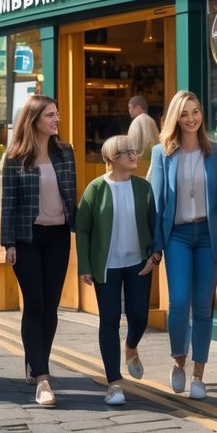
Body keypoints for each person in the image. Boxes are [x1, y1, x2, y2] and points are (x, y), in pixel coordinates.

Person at [147, 90, 217, 400]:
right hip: (178, 237)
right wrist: (156, 245)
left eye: (195, 112)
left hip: (210, 236)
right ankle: (178, 360)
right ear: (175, 118)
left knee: (204, 307)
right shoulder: (162, 154)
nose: (191, 119)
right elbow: (156, 203)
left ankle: (199, 374)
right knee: (179, 302)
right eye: (184, 113)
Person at [0, 93, 77, 407]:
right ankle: (42, 379)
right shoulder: (16, 157)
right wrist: (9, 243)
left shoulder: (66, 152)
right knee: (34, 303)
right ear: (34, 121)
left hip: (58, 236)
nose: (57, 119)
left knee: (50, 307)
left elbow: (73, 196)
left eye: (57, 114)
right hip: (27, 238)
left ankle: (36, 360)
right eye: (50, 116)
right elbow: (9, 206)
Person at [75, 135, 159, 406]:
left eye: (134, 151)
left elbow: (154, 223)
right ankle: (114, 383)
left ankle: (131, 347)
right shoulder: (95, 189)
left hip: (139, 264)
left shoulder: (144, 188)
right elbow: (83, 230)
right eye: (127, 153)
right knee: (109, 320)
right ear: (111, 158)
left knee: (139, 316)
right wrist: (85, 265)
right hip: (107, 266)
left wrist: (155, 255)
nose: (134, 156)